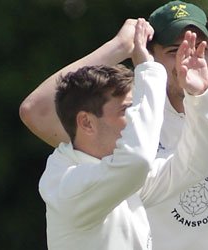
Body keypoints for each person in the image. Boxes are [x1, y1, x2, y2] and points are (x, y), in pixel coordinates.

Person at [19, 2, 208, 249]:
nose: (188, 59)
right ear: (149, 59)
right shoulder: (124, 124)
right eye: (173, 51)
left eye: (200, 49)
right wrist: (121, 46)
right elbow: (37, 111)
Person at [39, 19, 163, 249]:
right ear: (86, 122)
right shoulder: (69, 185)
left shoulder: (110, 167)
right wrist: (149, 70)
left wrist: (200, 97)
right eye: (127, 110)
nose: (135, 120)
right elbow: (138, 160)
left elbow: (194, 165)